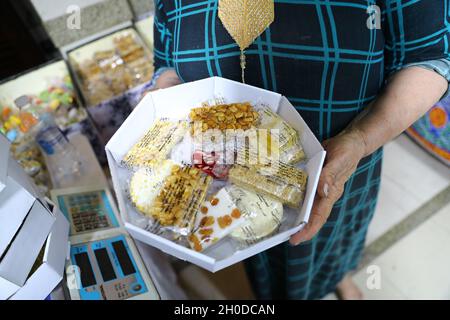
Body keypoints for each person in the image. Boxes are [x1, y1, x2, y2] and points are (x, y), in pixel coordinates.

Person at [150, 0, 450, 299]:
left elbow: (427, 59)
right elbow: (167, 65)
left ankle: (339, 276)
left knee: (336, 238)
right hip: (225, 176)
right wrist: (159, 111)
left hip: (344, 160)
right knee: (257, 249)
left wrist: (360, 139)